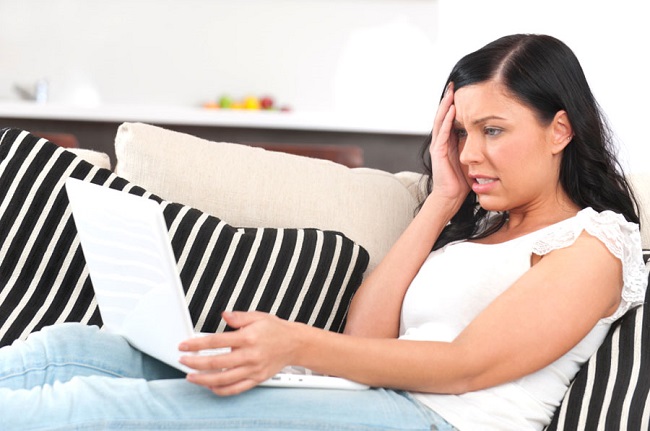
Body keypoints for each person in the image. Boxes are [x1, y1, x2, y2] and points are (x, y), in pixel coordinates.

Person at [0, 34, 646, 431]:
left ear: (559, 130)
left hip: (433, 419)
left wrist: (294, 346)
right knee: (74, 349)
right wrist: (440, 200)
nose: (471, 152)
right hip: (370, 400)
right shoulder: (475, 229)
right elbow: (364, 338)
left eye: (493, 129)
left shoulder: (595, 245)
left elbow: (461, 367)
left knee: (103, 409)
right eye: (461, 131)